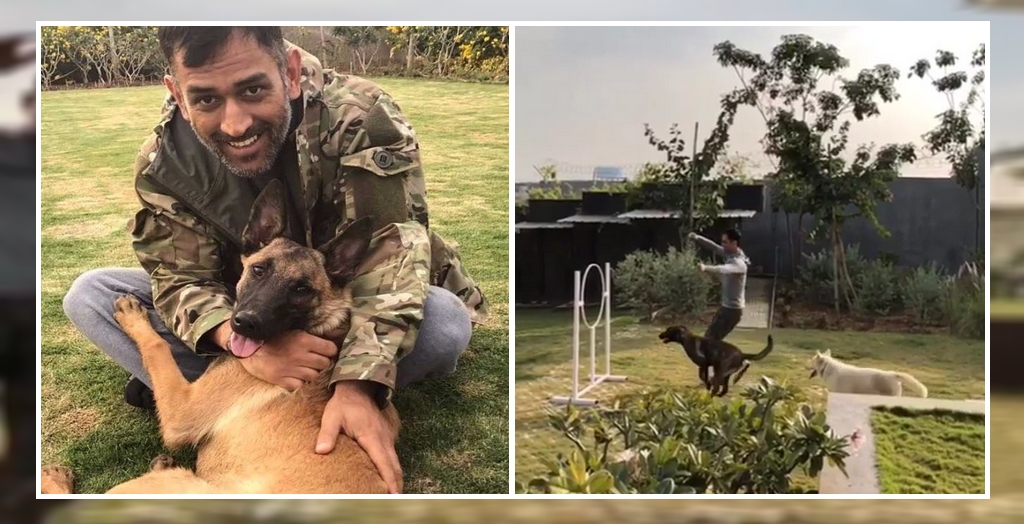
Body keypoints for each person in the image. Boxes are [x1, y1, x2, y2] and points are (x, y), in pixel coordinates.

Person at [61, 26, 489, 494]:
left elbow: (392, 255)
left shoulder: (360, 115)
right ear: (178, 95)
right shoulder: (166, 160)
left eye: (252, 89)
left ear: (288, 72)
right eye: (206, 99)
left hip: (343, 301)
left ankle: (219, 391)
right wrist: (240, 342)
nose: (235, 124)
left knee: (445, 321)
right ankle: (231, 390)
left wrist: (357, 384)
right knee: (93, 293)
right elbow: (180, 276)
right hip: (241, 298)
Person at [689, 228, 749, 341]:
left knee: (710, 339)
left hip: (732, 310)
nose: (723, 245)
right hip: (726, 308)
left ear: (734, 243)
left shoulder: (739, 263)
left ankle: (734, 358)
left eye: (725, 242)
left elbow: (723, 269)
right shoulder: (731, 254)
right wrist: (697, 238)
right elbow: (714, 247)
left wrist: (705, 268)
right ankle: (724, 357)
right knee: (710, 338)